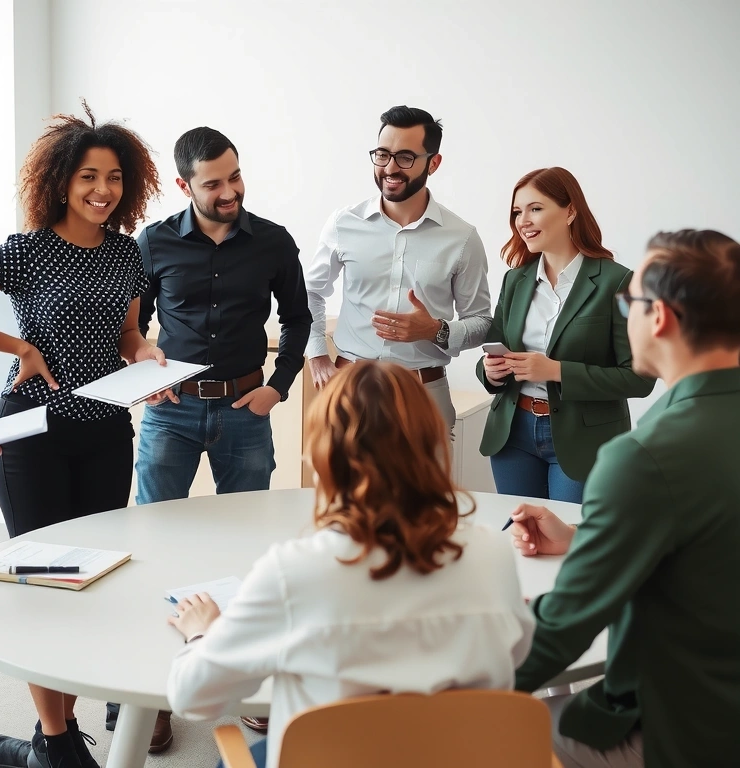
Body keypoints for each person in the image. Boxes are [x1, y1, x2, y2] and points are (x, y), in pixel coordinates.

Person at [0, 105, 162, 768]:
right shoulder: (28, 250)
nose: (102, 190)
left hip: (108, 431)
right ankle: (55, 741)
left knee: (96, 583)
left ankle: (45, 739)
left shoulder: (126, 253)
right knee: (45, 586)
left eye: (114, 178)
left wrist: (142, 353)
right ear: (61, 181)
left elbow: (128, 335)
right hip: (34, 436)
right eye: (89, 176)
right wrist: (19, 346)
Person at [164, 360, 535, 768]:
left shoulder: (294, 572)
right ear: (430, 442)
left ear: (325, 451)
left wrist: (203, 633)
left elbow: (193, 697)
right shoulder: (491, 553)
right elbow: (516, 655)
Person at [509, 229, 740, 768]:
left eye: (628, 301)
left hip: (683, 730)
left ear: (658, 317)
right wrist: (590, 535)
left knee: (498, 721)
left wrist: (428, 683)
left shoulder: (644, 455)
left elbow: (562, 631)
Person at [124, 126, 311, 741]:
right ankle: (151, 698)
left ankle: (254, 687)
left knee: (251, 549)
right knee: (154, 545)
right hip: (171, 412)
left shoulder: (274, 242)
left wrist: (278, 386)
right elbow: (135, 324)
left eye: (235, 176)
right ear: (185, 186)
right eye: (213, 183)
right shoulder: (151, 243)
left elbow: (299, 317)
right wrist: (142, 366)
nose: (229, 191)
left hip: (245, 410)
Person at [304, 106, 492, 429]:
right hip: (350, 388)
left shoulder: (462, 238)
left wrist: (436, 330)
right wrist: (318, 353)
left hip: (423, 395)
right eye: (382, 154)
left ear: (433, 163)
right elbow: (309, 291)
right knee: (341, 482)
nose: (390, 167)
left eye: (405, 157)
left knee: (424, 483)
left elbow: (481, 322)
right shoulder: (343, 224)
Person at [476, 168, 654, 502]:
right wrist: (490, 371)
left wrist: (556, 371)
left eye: (535, 208)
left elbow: (641, 378)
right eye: (517, 212)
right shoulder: (515, 280)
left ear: (570, 211)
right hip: (513, 435)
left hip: (582, 441)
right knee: (521, 538)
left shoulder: (616, 282)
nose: (523, 220)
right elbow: (492, 355)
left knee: (569, 543)